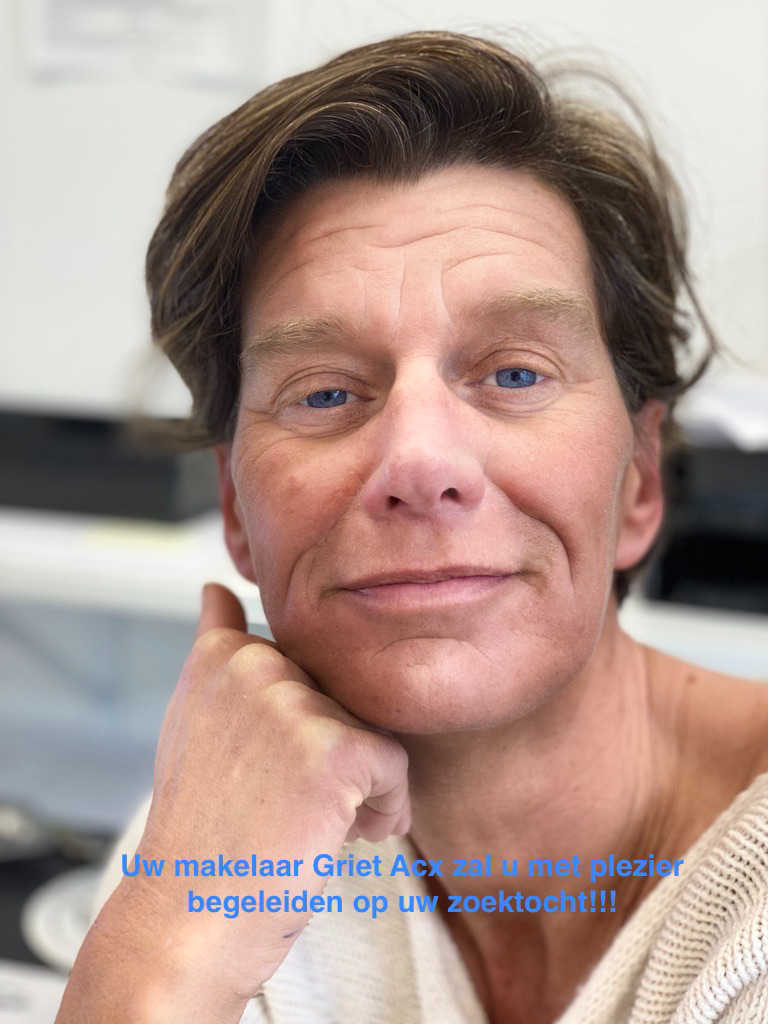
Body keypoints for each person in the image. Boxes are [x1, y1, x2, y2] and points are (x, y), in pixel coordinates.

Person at [56, 31, 768, 1024]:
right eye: (325, 392)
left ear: (640, 483)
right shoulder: (225, 846)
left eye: (514, 373)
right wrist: (161, 947)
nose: (419, 463)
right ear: (237, 511)